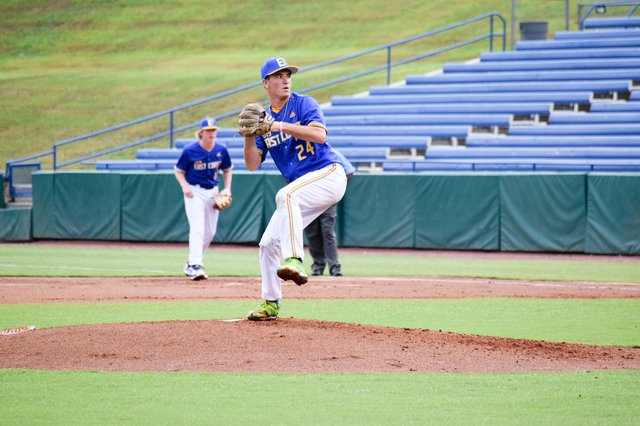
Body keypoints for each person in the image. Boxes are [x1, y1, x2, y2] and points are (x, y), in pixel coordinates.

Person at [242, 57, 348, 320]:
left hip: (328, 174)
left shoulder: (303, 103)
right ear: (266, 83)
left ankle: (294, 260)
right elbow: (253, 164)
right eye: (278, 76)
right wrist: (249, 137)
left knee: (285, 194)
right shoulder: (263, 121)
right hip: (304, 189)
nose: (286, 79)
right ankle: (270, 302)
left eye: (288, 74)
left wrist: (276, 125)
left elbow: (320, 135)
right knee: (267, 244)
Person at [174, 117, 232, 281]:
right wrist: (184, 187)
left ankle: (193, 261)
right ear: (201, 133)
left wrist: (227, 188)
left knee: (210, 232)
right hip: (194, 192)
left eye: (213, 130)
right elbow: (178, 171)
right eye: (208, 131)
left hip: (212, 192)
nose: (211, 133)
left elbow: (227, 169)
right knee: (198, 228)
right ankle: (195, 264)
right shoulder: (189, 150)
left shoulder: (221, 149)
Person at [304, 150, 355, 277]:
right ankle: (318, 266)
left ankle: (335, 267)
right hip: (309, 197)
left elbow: (349, 171)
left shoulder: (331, 152)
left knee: (327, 231)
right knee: (312, 233)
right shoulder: (301, 153)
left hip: (327, 197)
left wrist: (336, 187)